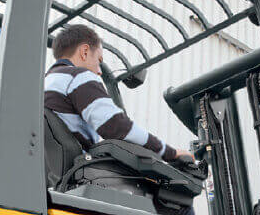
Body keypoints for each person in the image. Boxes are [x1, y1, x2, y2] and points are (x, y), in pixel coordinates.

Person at [43, 24, 194, 165]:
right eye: (98, 60)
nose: (100, 71)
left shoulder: (43, 84)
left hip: (51, 173)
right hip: (76, 173)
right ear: (84, 52)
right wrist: (169, 152)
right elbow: (116, 126)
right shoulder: (77, 77)